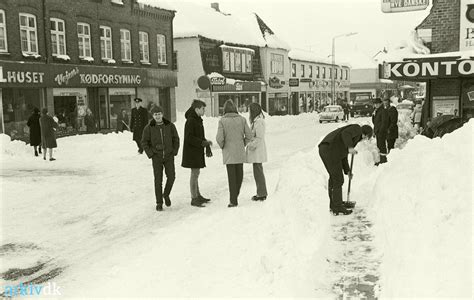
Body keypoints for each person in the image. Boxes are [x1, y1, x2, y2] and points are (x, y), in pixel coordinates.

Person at [319, 124, 373, 215]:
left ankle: (334, 204)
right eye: (367, 138)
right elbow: (345, 133)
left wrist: (347, 171)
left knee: (334, 178)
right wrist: (350, 147)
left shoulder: (353, 138)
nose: (364, 140)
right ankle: (337, 206)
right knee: (338, 179)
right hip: (330, 149)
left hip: (328, 149)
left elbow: (343, 156)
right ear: (365, 134)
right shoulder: (357, 129)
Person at [142, 106, 180, 211]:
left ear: (162, 114)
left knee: (171, 176)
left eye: (159, 114)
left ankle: (166, 194)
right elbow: (144, 142)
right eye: (155, 114)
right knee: (158, 180)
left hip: (168, 156)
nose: (157, 116)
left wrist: (174, 151)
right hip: (156, 157)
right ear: (152, 116)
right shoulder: (149, 128)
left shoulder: (170, 125)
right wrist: (151, 154)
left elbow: (176, 139)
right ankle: (159, 202)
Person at [216, 100, 252, 208]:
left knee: (231, 177)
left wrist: (223, 146)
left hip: (229, 152)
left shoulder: (222, 121)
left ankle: (233, 200)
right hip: (239, 151)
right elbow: (249, 135)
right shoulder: (242, 120)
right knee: (239, 175)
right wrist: (243, 143)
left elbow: (219, 138)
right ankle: (235, 195)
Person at [182, 100, 213, 207]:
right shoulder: (191, 121)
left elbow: (199, 136)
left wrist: (206, 144)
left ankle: (197, 195)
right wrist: (202, 143)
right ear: (197, 109)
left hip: (196, 151)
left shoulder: (198, 120)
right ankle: (194, 197)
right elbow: (189, 137)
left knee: (196, 173)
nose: (204, 111)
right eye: (203, 109)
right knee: (194, 174)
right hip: (192, 152)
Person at [246, 103, 268, 201]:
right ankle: (261, 192)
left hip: (257, 151)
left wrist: (250, 145)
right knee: (257, 172)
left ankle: (262, 194)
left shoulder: (259, 122)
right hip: (257, 151)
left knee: (258, 172)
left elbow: (259, 137)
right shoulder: (256, 121)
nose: (249, 112)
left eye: (250, 110)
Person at [372, 98, 389, 165]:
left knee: (382, 146)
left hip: (381, 132)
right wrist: (373, 115)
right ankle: (381, 159)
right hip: (378, 131)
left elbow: (384, 122)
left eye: (377, 103)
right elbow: (375, 122)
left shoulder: (383, 110)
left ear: (380, 103)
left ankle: (383, 160)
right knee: (379, 145)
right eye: (375, 104)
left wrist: (381, 131)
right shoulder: (377, 111)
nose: (375, 105)